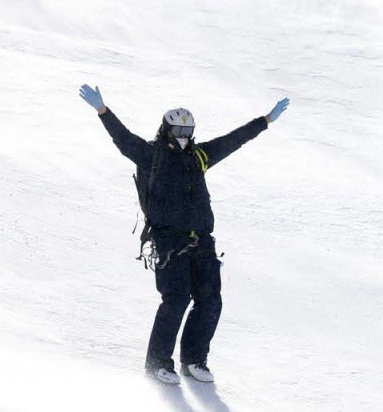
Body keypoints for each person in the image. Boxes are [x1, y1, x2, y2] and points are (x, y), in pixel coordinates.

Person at [78, 84, 289, 385]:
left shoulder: (199, 156)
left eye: (188, 130)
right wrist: (103, 111)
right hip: (169, 242)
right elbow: (123, 140)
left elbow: (233, 140)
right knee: (176, 300)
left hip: (202, 241)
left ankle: (194, 359)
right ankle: (157, 362)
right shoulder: (152, 155)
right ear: (165, 129)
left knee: (210, 300)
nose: (183, 136)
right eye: (177, 129)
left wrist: (265, 120)